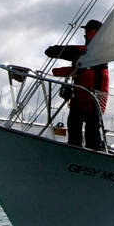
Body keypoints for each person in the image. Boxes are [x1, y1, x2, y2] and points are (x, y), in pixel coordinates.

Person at [45, 20, 109, 150]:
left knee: (75, 129)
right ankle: (94, 157)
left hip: (83, 98)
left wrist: (55, 72)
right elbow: (80, 70)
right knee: (93, 132)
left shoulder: (85, 51)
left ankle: (74, 154)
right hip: (98, 98)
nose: (84, 32)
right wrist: (56, 72)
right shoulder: (105, 53)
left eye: (86, 30)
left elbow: (51, 51)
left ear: (89, 31)